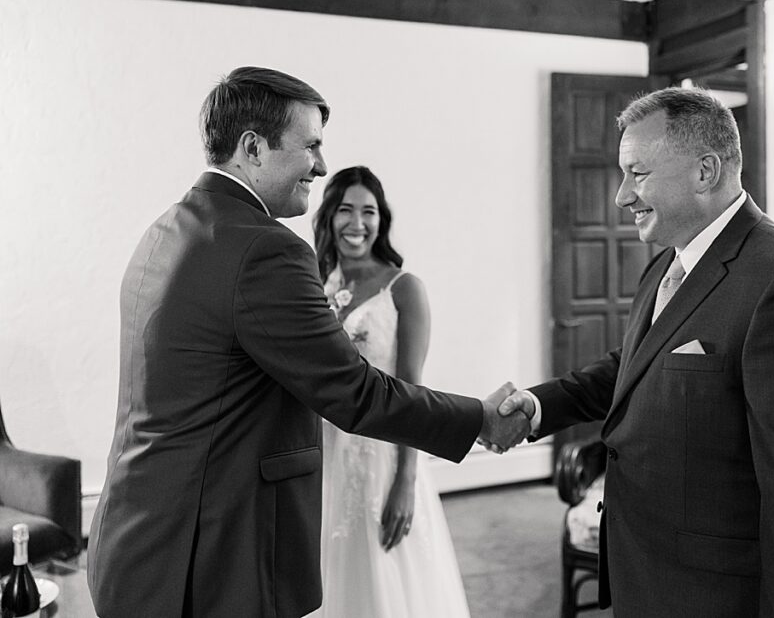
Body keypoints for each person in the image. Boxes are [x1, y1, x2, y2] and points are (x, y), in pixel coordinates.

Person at [87, 67, 528, 618]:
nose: (321, 166)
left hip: (137, 534)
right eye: (311, 146)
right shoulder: (265, 249)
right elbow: (354, 392)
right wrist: (479, 419)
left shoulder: (167, 228)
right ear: (253, 147)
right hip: (212, 551)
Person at [496, 87, 774, 617]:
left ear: (705, 172)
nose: (621, 196)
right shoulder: (667, 263)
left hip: (713, 595)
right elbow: (634, 367)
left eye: (637, 174)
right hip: (644, 572)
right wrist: (539, 405)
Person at [309, 166, 471, 617]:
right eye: (345, 210)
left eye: (368, 211)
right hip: (323, 453)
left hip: (383, 457)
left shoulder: (405, 289)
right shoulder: (314, 283)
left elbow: (412, 391)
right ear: (328, 217)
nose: (357, 223)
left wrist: (405, 480)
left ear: (382, 220)